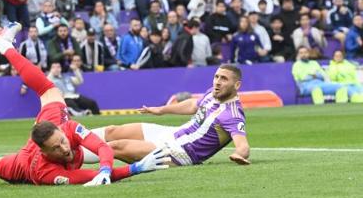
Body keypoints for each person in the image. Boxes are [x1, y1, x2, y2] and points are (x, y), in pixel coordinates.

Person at [0, 22, 170, 185]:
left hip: (52, 126)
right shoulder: (44, 170)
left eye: (62, 140)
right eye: (57, 148)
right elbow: (88, 177)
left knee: (50, 90)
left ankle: (5, 46)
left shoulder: (66, 130)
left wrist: (105, 166)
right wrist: (134, 169)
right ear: (46, 152)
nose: (64, 148)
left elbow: (100, 150)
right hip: (25, 164)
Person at [83, 64, 250, 167]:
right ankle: (74, 138)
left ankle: (68, 157)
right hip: (171, 133)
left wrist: (239, 155)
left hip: (179, 152)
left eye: (224, 79)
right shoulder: (213, 93)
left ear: (237, 85)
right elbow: (193, 104)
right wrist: (162, 110)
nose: (217, 82)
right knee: (114, 131)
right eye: (216, 77)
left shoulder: (232, 114)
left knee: (115, 146)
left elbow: (243, 146)